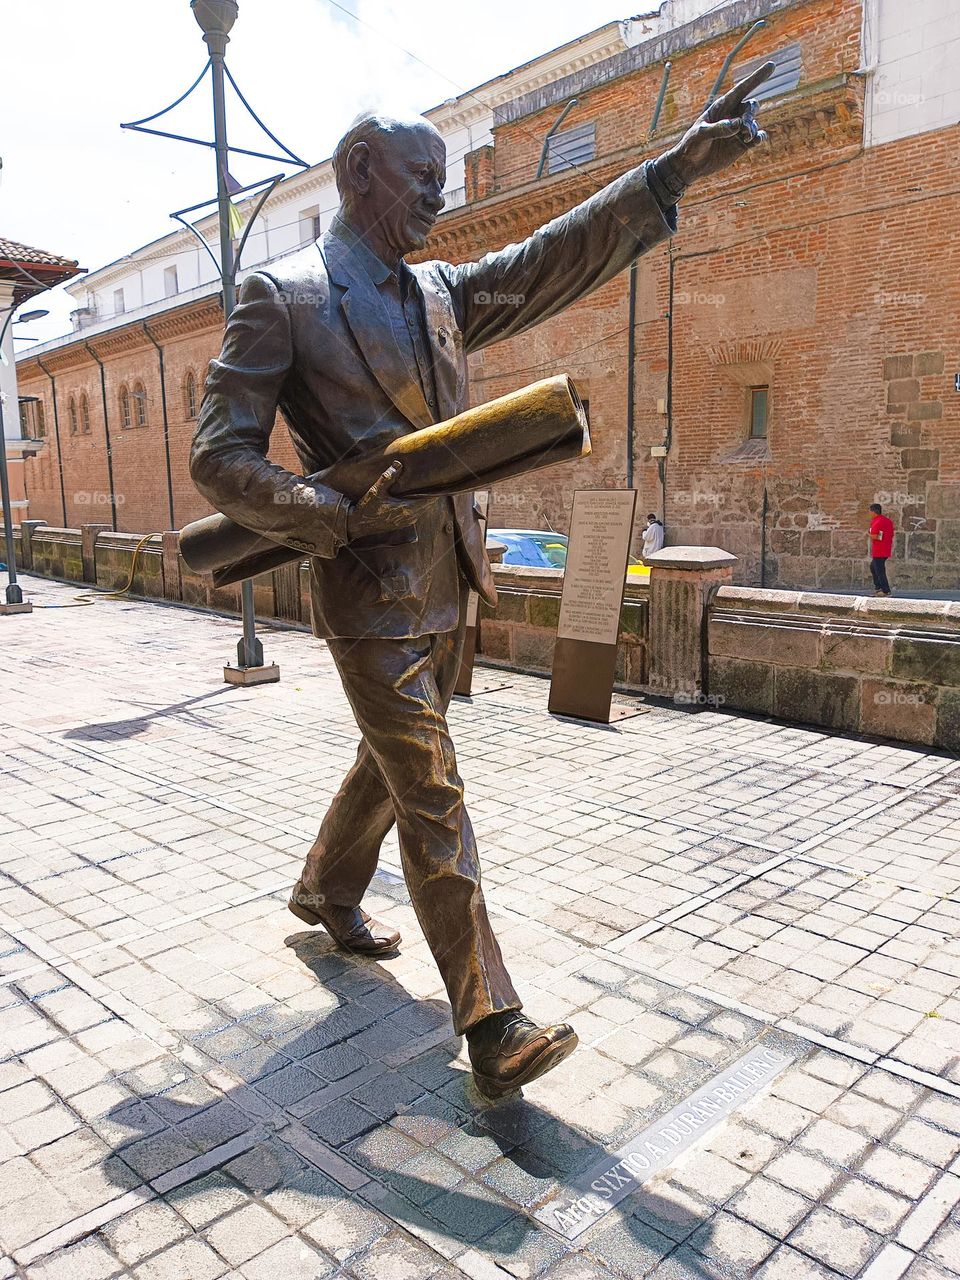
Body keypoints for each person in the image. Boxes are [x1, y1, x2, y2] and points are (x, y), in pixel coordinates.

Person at [190, 64, 774, 1100]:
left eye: (444, 179)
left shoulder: (442, 291)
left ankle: (325, 884)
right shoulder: (283, 297)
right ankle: (492, 1021)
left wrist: (670, 171)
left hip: (450, 576)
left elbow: (552, 258)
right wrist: (319, 510)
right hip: (367, 586)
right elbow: (219, 456)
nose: (438, 195)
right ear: (361, 170)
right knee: (434, 791)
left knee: (396, 760)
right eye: (421, 176)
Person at [868, 502, 894, 596]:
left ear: (873, 512)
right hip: (886, 548)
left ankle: (885, 590)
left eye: (870, 511)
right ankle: (878, 588)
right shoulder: (887, 521)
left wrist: (869, 534)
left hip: (879, 550)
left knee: (879, 570)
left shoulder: (876, 521)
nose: (869, 514)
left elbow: (874, 536)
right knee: (873, 567)